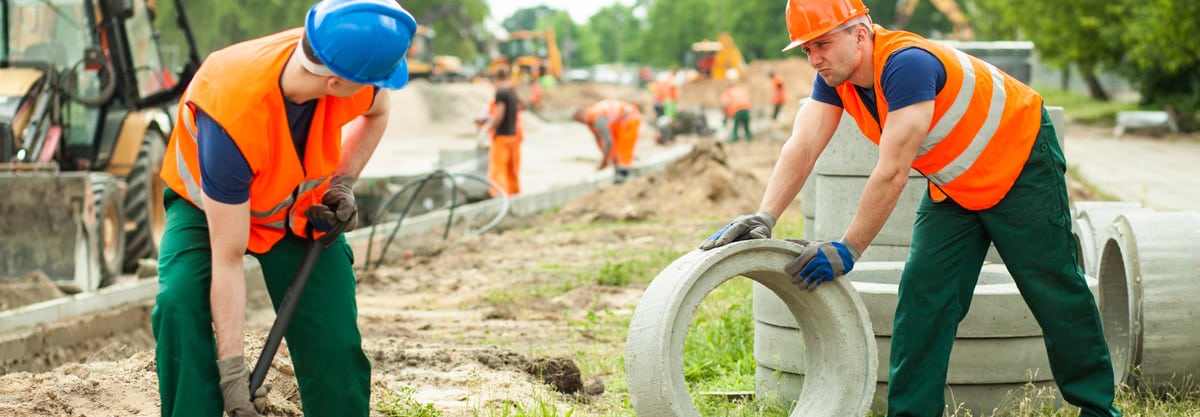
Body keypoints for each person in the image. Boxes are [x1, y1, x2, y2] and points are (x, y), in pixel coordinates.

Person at [699, 0, 1122, 416]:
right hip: (956, 184)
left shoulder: (907, 65)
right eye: (807, 49)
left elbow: (892, 171)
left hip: (1019, 162)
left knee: (1052, 288)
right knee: (923, 300)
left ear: (860, 34)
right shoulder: (835, 78)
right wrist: (764, 216)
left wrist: (848, 248)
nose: (814, 58)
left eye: (822, 44)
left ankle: (1097, 408)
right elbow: (804, 146)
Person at [153, 1, 416, 416]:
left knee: (331, 335)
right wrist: (234, 376)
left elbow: (379, 112)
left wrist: (343, 182)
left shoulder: (341, 59)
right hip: (207, 212)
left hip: (297, 209)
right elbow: (228, 257)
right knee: (180, 302)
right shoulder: (232, 112)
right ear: (335, 82)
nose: (376, 87)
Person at [573, 99, 642, 184]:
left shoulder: (597, 118)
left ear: (581, 116)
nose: (582, 124)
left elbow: (608, 141)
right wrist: (605, 156)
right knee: (616, 147)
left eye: (580, 121)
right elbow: (599, 139)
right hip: (619, 121)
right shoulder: (591, 121)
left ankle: (623, 173)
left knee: (624, 147)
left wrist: (605, 159)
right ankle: (618, 171)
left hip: (630, 118)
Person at [478, 67, 523, 196]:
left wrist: (488, 127)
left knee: (498, 170)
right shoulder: (512, 91)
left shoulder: (501, 93)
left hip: (502, 137)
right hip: (514, 136)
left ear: (496, 78)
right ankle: (514, 194)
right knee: (512, 170)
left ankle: (497, 195)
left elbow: (499, 114)